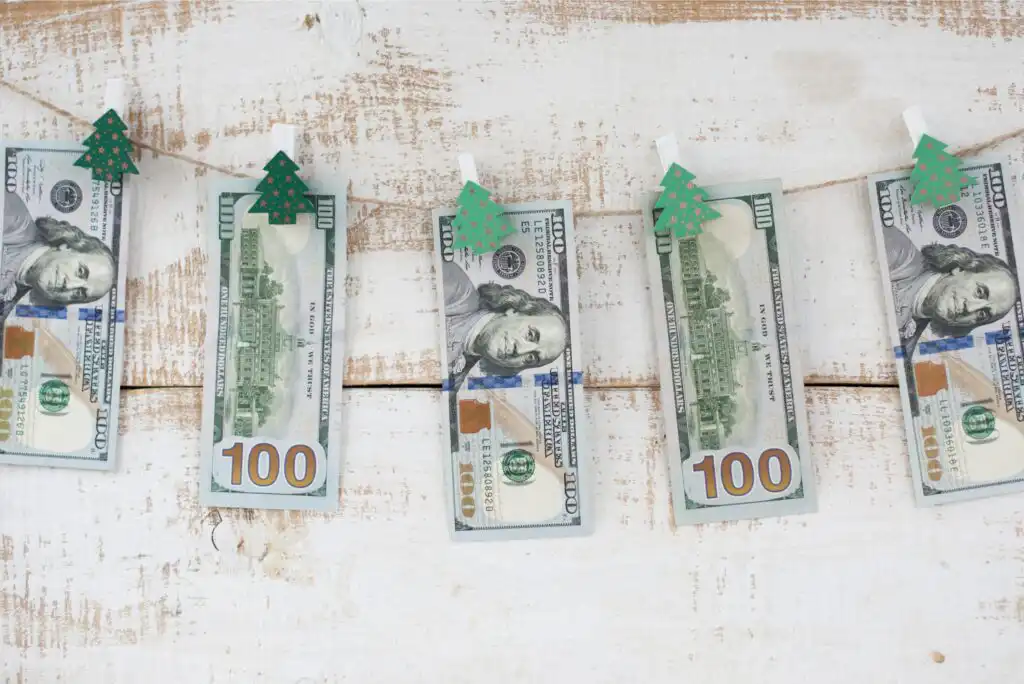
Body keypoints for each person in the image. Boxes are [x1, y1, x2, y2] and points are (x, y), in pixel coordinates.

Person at [883, 224, 1018, 355]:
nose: (970, 309)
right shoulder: (897, 252)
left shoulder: (906, 348)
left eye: (982, 314)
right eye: (979, 292)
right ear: (960, 268)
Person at [442, 261, 568, 390]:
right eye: (530, 335)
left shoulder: (454, 383)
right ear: (514, 310)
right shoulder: (457, 290)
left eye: (531, 358)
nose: (520, 351)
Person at [0, 192, 115, 323]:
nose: (70, 285)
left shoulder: (9, 311)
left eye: (79, 293)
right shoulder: (13, 218)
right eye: (80, 272)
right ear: (67, 245)